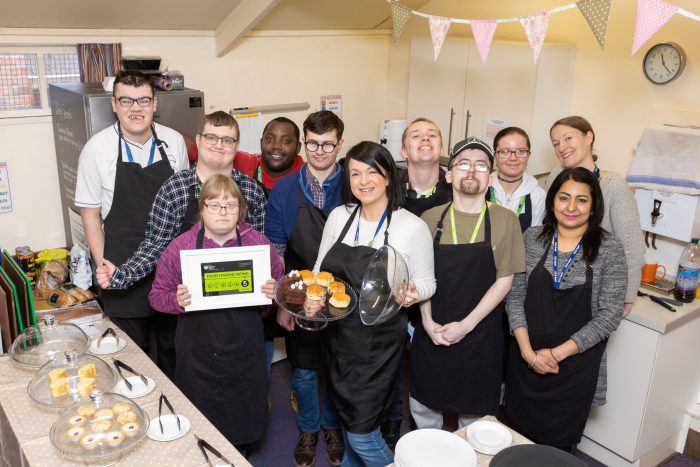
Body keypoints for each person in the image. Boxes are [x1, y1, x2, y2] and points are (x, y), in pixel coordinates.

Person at [312, 141, 436, 467]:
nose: (363, 180)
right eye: (354, 173)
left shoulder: (411, 226)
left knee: (361, 433)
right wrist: (312, 301)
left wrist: (412, 291)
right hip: (338, 337)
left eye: (371, 171)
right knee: (347, 419)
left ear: (387, 177)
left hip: (378, 344)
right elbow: (319, 272)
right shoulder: (340, 217)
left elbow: (428, 282)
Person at [149, 174, 283, 452]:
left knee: (243, 411)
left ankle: (241, 452)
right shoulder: (181, 247)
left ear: (240, 209)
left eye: (231, 205)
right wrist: (176, 300)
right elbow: (155, 296)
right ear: (202, 208)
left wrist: (275, 293)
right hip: (198, 354)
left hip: (244, 350)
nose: (223, 212)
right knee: (200, 417)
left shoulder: (258, 243)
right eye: (214, 205)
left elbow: (280, 288)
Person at [505, 167, 627, 450]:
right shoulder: (533, 239)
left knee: (555, 450)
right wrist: (527, 352)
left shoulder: (609, 249)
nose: (572, 207)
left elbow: (609, 315)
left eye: (582, 200)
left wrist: (554, 355)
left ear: (594, 205)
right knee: (513, 438)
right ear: (552, 202)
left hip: (573, 368)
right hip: (525, 359)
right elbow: (515, 297)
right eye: (564, 198)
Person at [75, 70, 188, 373]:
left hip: (170, 271)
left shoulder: (174, 142)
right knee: (132, 364)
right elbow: (90, 216)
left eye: (143, 100)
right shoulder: (96, 150)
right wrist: (104, 268)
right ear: (114, 104)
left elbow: (185, 206)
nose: (135, 108)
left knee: (174, 355)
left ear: (154, 103)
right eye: (126, 100)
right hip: (122, 269)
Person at [409, 137, 525, 429]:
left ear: (490, 177)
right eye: (463, 164)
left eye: (481, 165)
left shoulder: (505, 220)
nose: (471, 170)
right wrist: (426, 321)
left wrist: (466, 325)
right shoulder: (429, 218)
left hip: (480, 338)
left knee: (475, 422)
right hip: (432, 332)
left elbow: (505, 280)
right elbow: (421, 276)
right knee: (424, 410)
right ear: (449, 175)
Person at [266, 110, 346, 467]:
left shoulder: (353, 184)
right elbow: (277, 250)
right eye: (312, 143)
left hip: (345, 291)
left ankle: (332, 426)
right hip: (298, 288)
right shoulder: (284, 189)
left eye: (327, 144)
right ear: (304, 142)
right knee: (304, 366)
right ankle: (309, 429)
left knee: (337, 366)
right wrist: (285, 302)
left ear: (339, 144)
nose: (319, 151)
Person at [381, 117, 453, 448]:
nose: (424, 140)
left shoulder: (458, 191)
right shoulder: (388, 190)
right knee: (391, 366)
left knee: (435, 369)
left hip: (444, 295)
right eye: (416, 135)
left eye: (432, 134)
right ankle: (393, 421)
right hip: (394, 296)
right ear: (402, 149)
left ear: (441, 147)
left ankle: (439, 438)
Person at [546, 116, 644, 318]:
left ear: (588, 137)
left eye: (568, 138)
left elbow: (631, 246)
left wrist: (627, 296)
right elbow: (546, 227)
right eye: (556, 143)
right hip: (552, 281)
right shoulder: (556, 175)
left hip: (593, 289)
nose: (561, 147)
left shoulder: (613, 185)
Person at [488, 127, 546, 231]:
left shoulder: (538, 196)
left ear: (528, 155)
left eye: (521, 151)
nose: (513, 158)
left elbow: (534, 241)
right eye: (505, 151)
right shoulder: (481, 188)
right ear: (495, 156)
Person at [234, 117, 304, 194]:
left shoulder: (308, 178)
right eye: (269, 139)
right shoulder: (247, 164)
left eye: (285, 141)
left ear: (298, 147)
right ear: (261, 143)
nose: (276, 146)